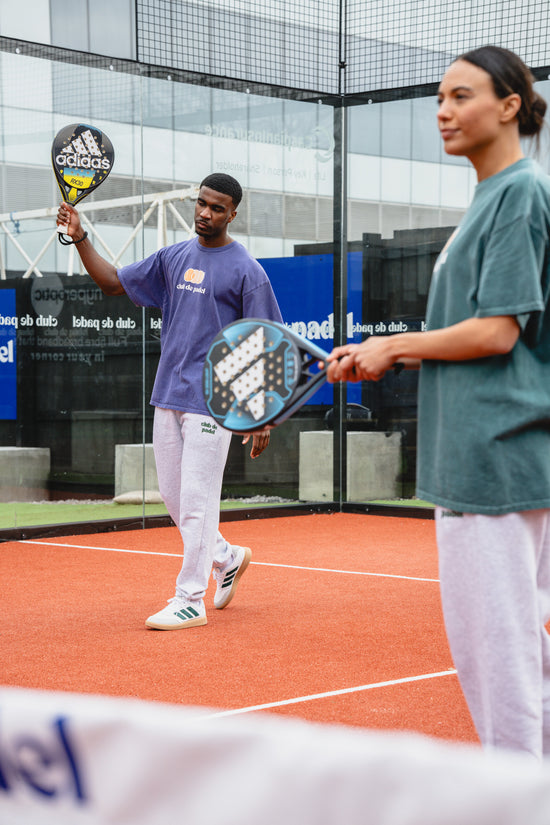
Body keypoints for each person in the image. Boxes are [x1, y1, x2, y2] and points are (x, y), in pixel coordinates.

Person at [326, 46, 550, 761]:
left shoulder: (519, 192)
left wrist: (395, 347)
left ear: (510, 104)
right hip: (493, 456)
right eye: (438, 100)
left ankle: (516, 798)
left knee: (498, 658)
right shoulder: (495, 195)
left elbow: (496, 330)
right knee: (515, 655)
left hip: (491, 460)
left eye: (460, 96)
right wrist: (386, 352)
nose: (443, 112)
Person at [57, 173, 282, 631]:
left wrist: (262, 415)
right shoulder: (173, 258)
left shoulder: (248, 271)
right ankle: (226, 556)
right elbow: (114, 283)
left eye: (217, 208)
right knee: (175, 498)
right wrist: (80, 238)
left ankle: (189, 599)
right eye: (201, 203)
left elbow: (265, 342)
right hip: (168, 396)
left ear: (232, 213)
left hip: (214, 402)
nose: (205, 213)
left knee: (198, 501)